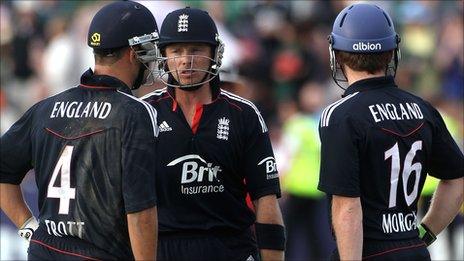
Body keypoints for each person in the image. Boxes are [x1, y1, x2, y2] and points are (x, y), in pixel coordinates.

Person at [0, 1, 160, 260]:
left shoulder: (45, 108)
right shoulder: (134, 112)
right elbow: (140, 210)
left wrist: (28, 227)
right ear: (133, 53)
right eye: (148, 50)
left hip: (45, 252)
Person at [318, 3, 464, 260]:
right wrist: (425, 233)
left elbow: (347, 207)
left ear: (337, 55)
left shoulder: (341, 115)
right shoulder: (423, 108)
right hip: (413, 249)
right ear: (391, 52)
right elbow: (457, 180)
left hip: (368, 251)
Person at [142, 7, 285, 261]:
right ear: (163, 56)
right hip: (164, 249)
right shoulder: (143, 114)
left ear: (214, 54)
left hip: (231, 248)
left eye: (196, 50)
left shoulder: (244, 114)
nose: (186, 60)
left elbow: (266, 200)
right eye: (176, 51)